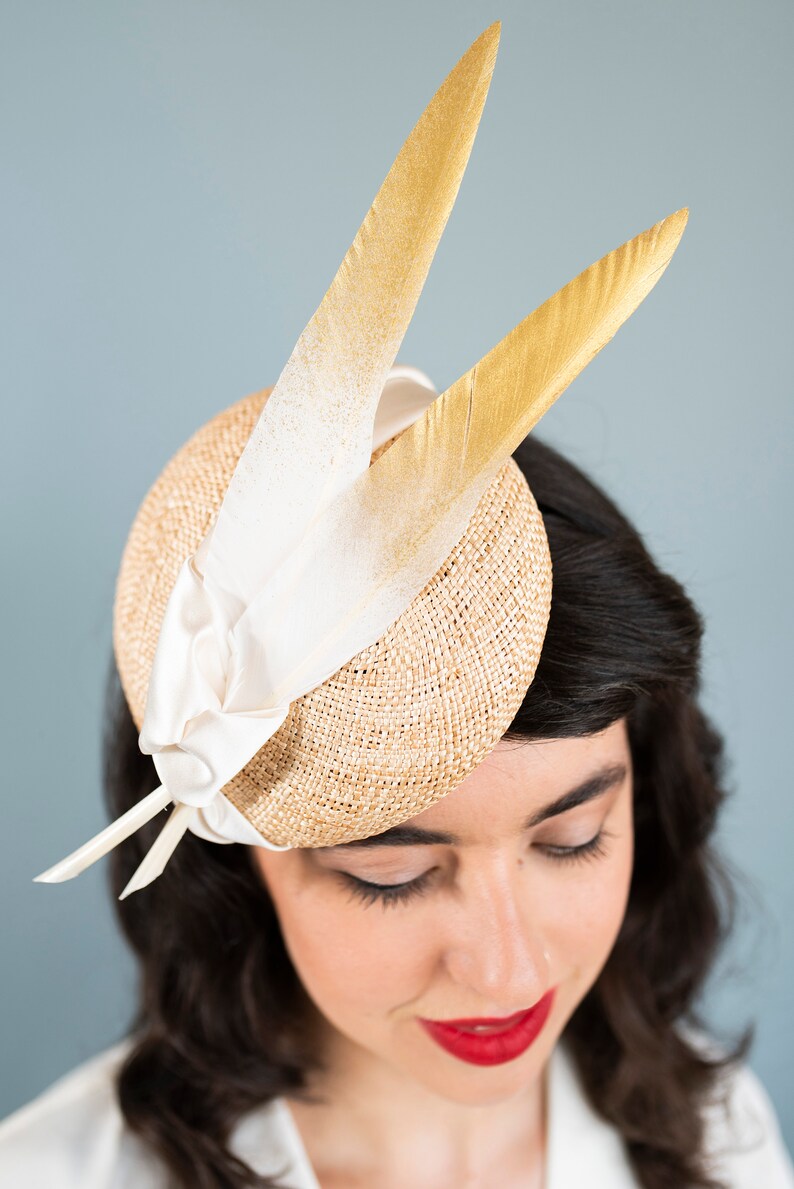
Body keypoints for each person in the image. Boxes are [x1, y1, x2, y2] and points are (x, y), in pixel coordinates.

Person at [1, 21, 792, 1189]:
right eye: (392, 872)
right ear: (239, 862)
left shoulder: (716, 1131)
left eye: (572, 839)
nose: (504, 966)